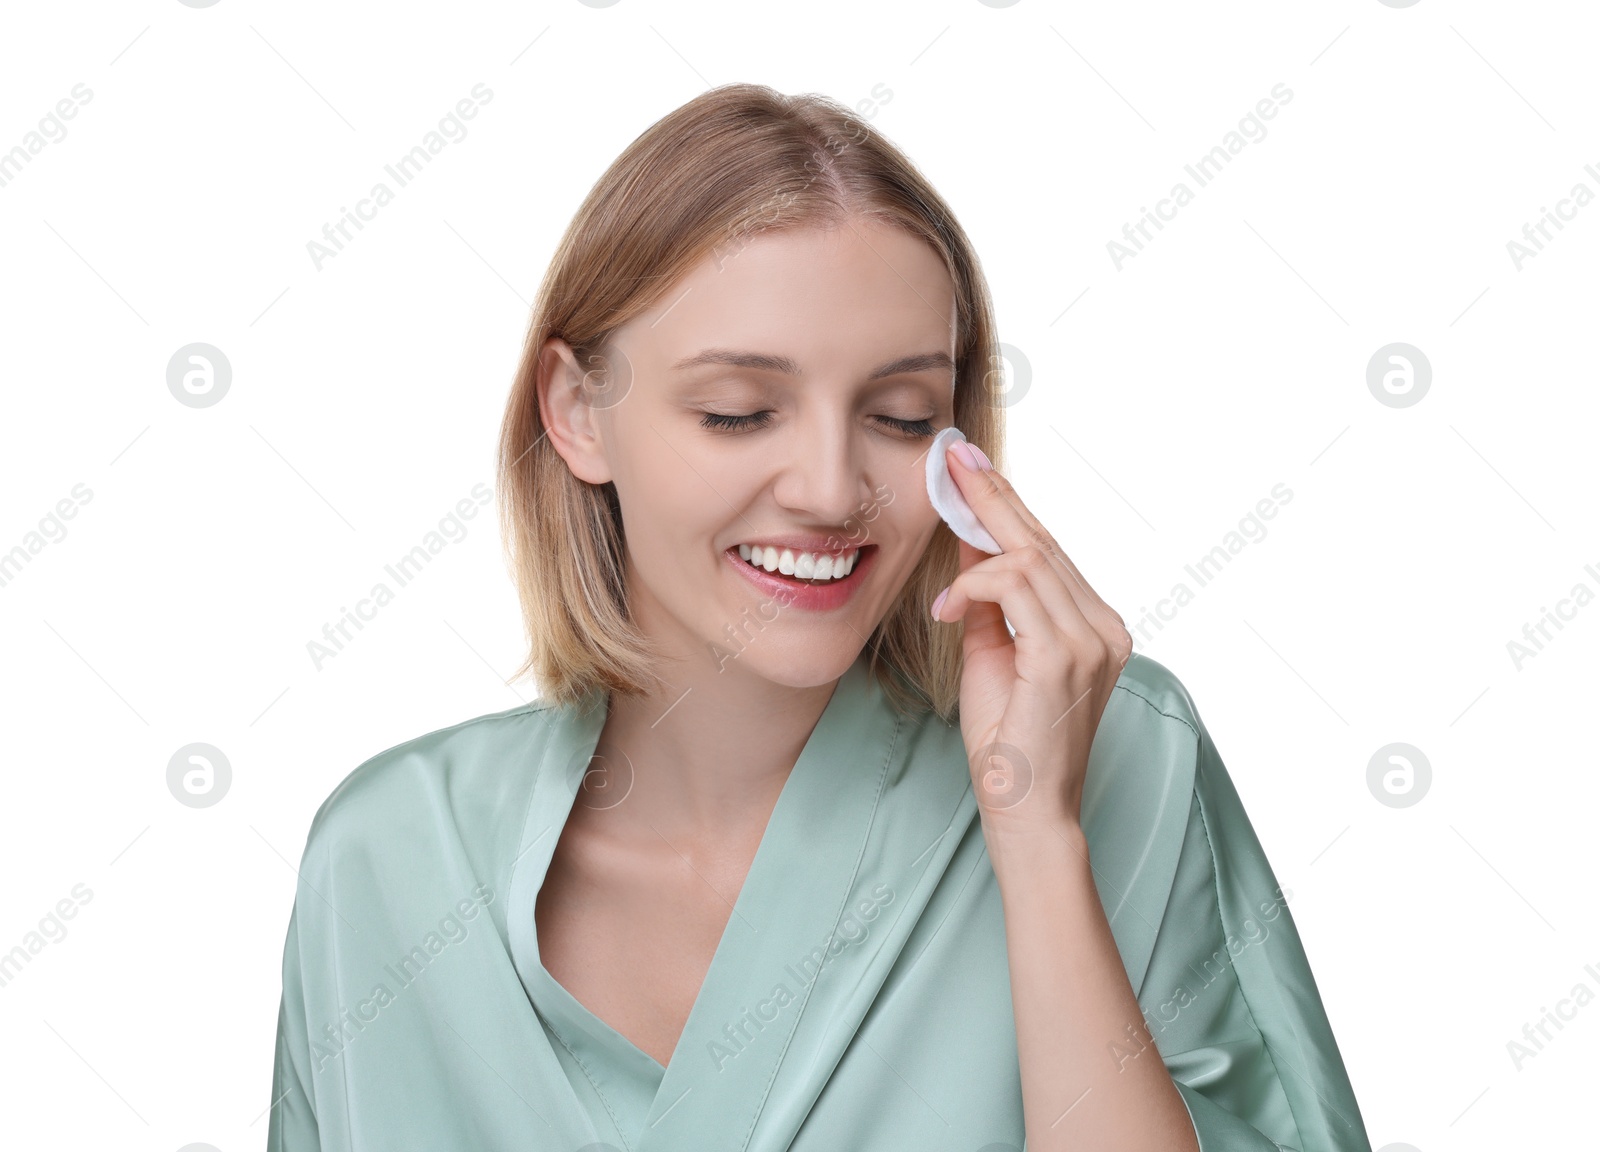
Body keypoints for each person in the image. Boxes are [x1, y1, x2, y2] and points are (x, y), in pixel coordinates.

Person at [268, 83, 1372, 1152]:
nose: (831, 489)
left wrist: (1037, 842)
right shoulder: (386, 862)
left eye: (900, 417)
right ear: (576, 413)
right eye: (738, 413)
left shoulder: (1119, 749)